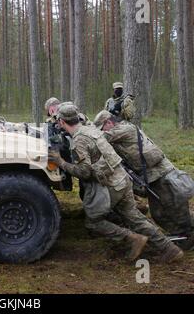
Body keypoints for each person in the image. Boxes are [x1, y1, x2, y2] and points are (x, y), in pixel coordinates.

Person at [48, 105, 184, 262]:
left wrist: (61, 162)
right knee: (134, 218)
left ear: (62, 122)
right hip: (123, 179)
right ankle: (169, 248)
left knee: (93, 222)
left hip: (112, 185)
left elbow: (84, 172)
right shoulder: (90, 130)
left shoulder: (79, 139)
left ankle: (132, 238)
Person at [94, 111, 194, 249]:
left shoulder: (124, 129)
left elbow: (100, 138)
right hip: (154, 176)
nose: (102, 130)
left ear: (109, 123)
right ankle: (182, 235)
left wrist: (84, 132)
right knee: (159, 213)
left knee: (173, 209)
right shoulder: (122, 130)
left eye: (102, 127)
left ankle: (186, 238)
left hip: (161, 174)